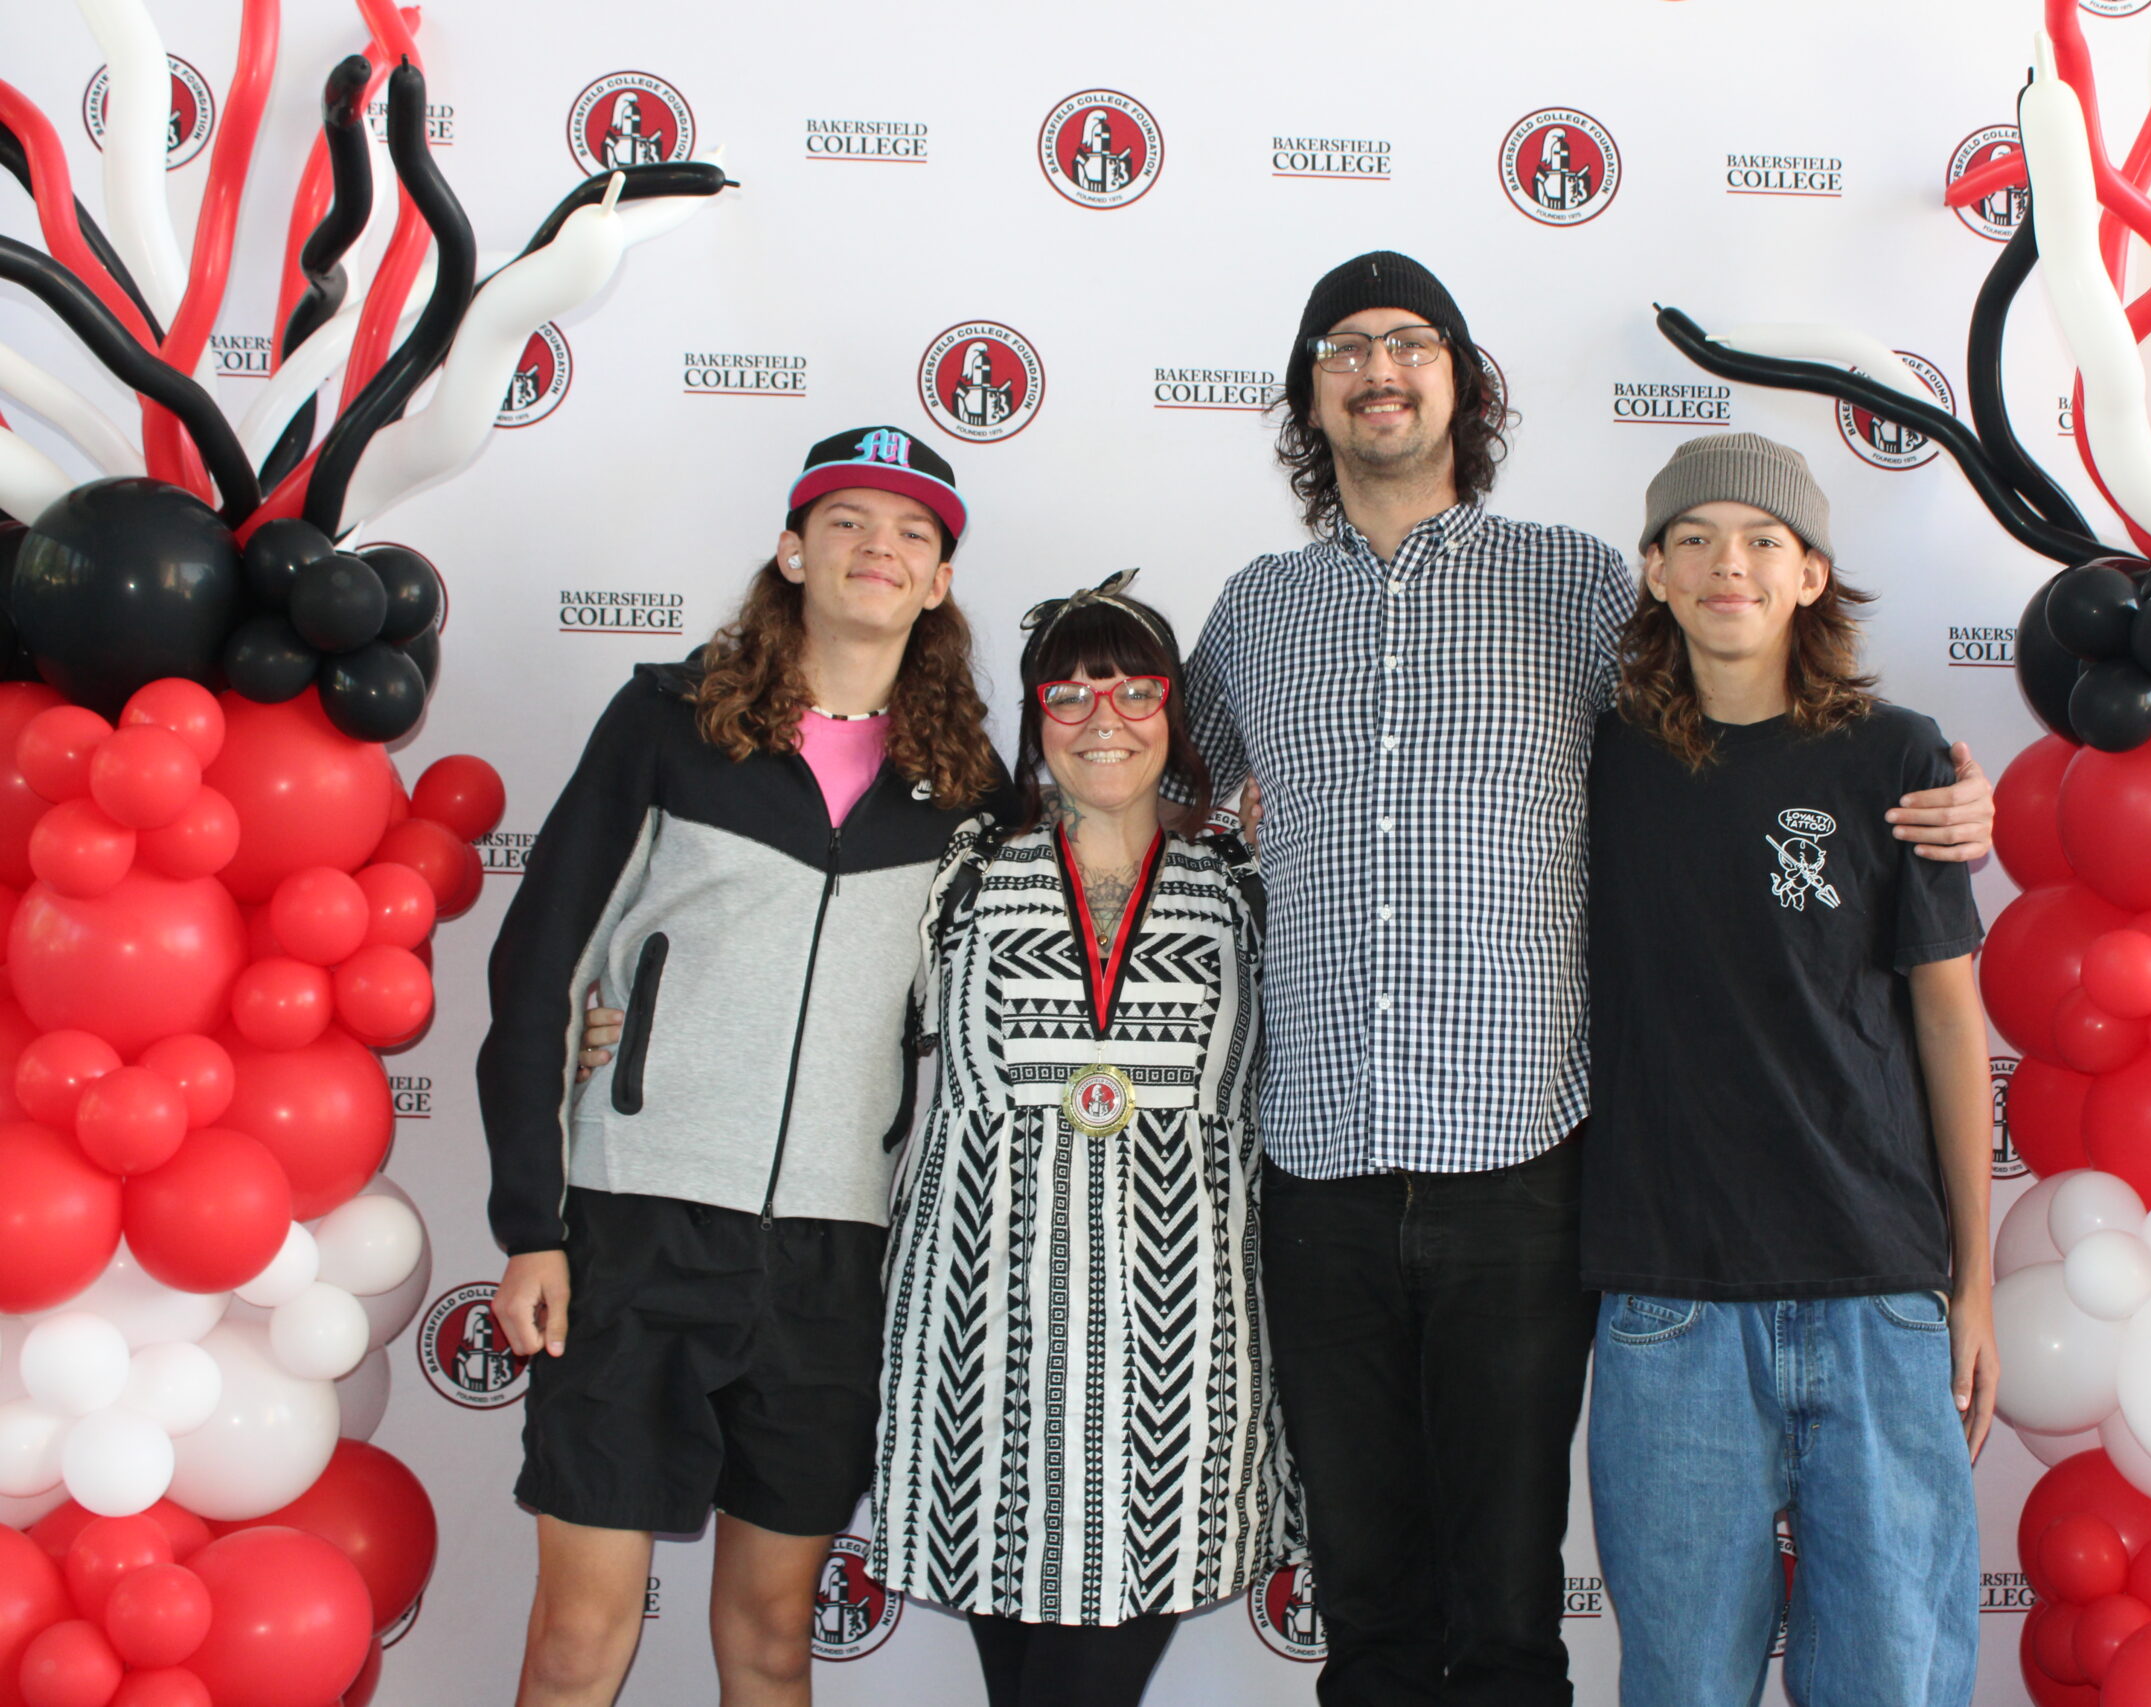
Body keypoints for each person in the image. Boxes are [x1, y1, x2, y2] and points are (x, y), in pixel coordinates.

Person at [1178, 251, 1996, 1706]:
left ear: (1462, 383)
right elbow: (1169, 798)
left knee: (1505, 1611)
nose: (1380, 367)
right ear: (1311, 392)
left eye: (1411, 342)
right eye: (1346, 347)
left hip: (1521, 1170)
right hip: (1314, 1171)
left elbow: (1748, 720)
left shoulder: (1568, 584)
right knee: (1364, 1597)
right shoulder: (1250, 614)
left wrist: (1935, 793)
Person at [475, 425, 1003, 1707]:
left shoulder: (969, 791)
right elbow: (540, 970)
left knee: (772, 1642)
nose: (879, 547)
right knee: (576, 1640)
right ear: (791, 548)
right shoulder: (668, 721)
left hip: (836, 1258)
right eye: (847, 521)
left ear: (938, 583)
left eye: (913, 534)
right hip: (636, 1229)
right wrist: (532, 1227)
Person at [1581, 434, 1996, 1707]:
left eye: (1764, 539)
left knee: (1893, 1682)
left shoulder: (1898, 759)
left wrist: (1968, 1290)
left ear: (1812, 575)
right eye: (1694, 537)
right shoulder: (1588, 763)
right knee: (1682, 1684)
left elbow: (1947, 1025)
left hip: (1876, 1291)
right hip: (1669, 1304)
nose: (1729, 563)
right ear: (1652, 571)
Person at [869, 572, 1298, 1707]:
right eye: (1068, 696)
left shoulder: (1249, 882)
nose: (1102, 721)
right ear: (1032, 719)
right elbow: (822, 1009)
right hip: (976, 1351)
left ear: (1176, 713)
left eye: (1134, 691)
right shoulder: (956, 870)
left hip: (1179, 1362)